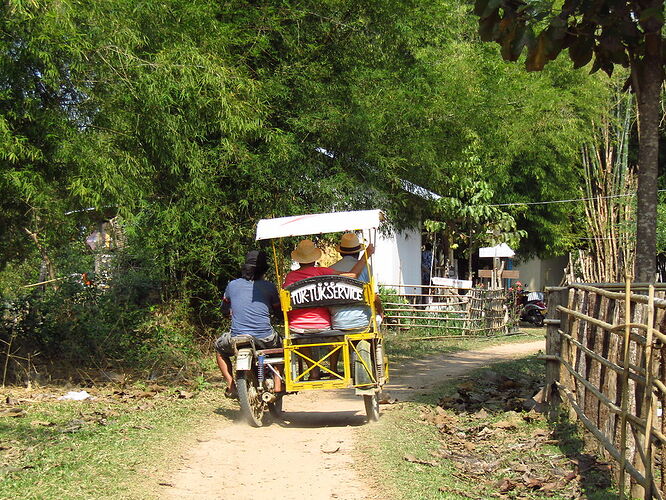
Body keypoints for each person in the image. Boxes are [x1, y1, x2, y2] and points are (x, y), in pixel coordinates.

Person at [283, 238, 373, 379]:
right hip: (323, 325)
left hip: (297, 327)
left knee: (300, 341)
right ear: (314, 259)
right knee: (335, 337)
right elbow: (352, 276)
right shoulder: (321, 272)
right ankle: (332, 370)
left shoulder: (290, 277)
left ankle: (313, 371)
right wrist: (366, 256)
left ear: (299, 260)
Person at [214, 250, 280, 397]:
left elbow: (224, 310)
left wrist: (229, 314)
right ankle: (277, 384)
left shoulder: (232, 285)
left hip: (238, 337)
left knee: (219, 348)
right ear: (264, 269)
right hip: (265, 337)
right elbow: (278, 311)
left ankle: (231, 385)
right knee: (281, 348)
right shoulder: (269, 286)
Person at [330, 232, 383, 331]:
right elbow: (374, 296)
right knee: (377, 319)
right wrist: (380, 311)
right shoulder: (366, 267)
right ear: (358, 252)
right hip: (362, 321)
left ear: (341, 253)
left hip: (337, 322)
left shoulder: (331, 269)